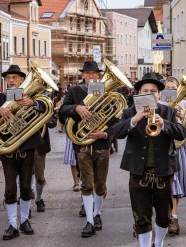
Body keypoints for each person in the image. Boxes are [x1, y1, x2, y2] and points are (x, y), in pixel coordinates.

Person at [113, 72, 186, 247]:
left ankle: (159, 242)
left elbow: (182, 132)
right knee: (141, 215)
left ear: (159, 94)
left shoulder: (168, 111)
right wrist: (134, 119)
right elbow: (117, 132)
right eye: (145, 90)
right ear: (138, 93)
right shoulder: (130, 112)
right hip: (139, 171)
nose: (150, 93)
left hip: (163, 171)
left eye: (153, 91)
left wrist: (165, 124)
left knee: (164, 215)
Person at [0, 64, 46, 240]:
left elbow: (47, 109)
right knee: (10, 188)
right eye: (8, 78)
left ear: (21, 80)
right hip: (7, 149)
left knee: (25, 187)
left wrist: (33, 103)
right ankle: (12, 224)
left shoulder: (31, 97)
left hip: (27, 148)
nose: (11, 80)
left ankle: (24, 220)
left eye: (15, 78)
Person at [59, 61, 112, 238]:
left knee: (101, 185)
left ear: (99, 76)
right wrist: (77, 107)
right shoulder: (74, 91)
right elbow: (62, 111)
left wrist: (105, 134)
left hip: (102, 145)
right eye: (87, 73)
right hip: (82, 145)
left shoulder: (107, 92)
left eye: (94, 73)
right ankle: (90, 220)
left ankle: (97, 214)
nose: (91, 76)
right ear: (82, 75)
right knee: (87, 183)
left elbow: (117, 120)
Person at [162, 77, 186, 235]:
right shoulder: (160, 104)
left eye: (173, 87)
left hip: (180, 147)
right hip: (163, 148)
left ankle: (173, 216)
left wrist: (182, 119)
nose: (170, 89)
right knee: (167, 184)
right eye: (167, 87)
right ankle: (168, 214)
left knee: (176, 184)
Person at [34, 113, 57, 212]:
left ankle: (38, 198)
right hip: (22, 143)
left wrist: (47, 120)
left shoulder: (43, 102)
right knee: (24, 176)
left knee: (39, 177)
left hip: (38, 145)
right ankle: (25, 203)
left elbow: (53, 122)